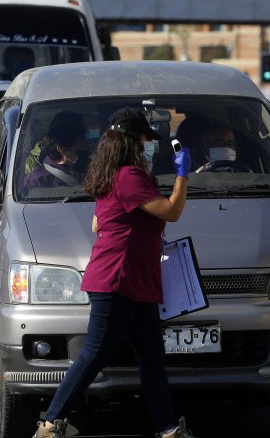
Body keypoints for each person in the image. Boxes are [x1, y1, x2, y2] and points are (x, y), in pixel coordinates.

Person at [33, 107, 195, 438]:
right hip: (118, 279)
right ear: (133, 141)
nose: (149, 146)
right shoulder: (128, 177)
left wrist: (137, 232)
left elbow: (98, 223)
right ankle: (50, 425)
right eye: (147, 139)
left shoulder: (112, 174)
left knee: (151, 358)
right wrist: (182, 176)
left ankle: (168, 429)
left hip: (136, 280)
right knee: (95, 353)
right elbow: (172, 210)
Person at [22, 111, 87, 190]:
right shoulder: (37, 181)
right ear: (63, 150)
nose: (86, 148)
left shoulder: (78, 172)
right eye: (82, 145)